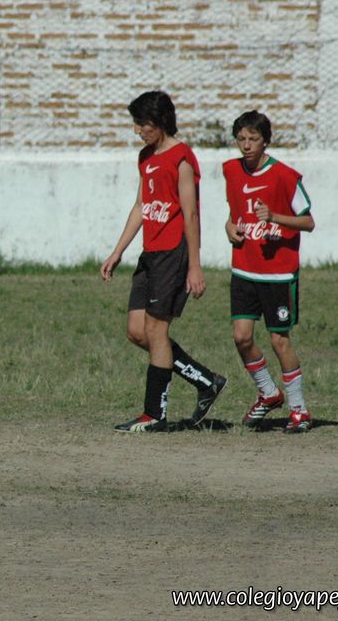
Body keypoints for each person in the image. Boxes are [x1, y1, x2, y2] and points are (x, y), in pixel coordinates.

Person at [101, 90, 226, 432]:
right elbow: (141, 206)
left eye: (142, 124)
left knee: (157, 330)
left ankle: (154, 415)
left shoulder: (182, 158)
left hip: (174, 252)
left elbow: (191, 214)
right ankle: (206, 381)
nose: (137, 130)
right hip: (150, 253)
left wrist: (195, 265)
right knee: (137, 331)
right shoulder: (145, 157)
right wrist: (118, 251)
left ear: (160, 122)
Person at [222, 110, 315, 433]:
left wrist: (274, 217)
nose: (246, 145)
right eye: (241, 139)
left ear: (266, 141)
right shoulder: (231, 171)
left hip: (278, 275)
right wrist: (229, 228)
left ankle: (299, 410)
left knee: (279, 341)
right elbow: (234, 214)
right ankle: (268, 392)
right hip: (244, 270)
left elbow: (308, 222)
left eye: (253, 139)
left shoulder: (285, 176)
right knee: (241, 337)